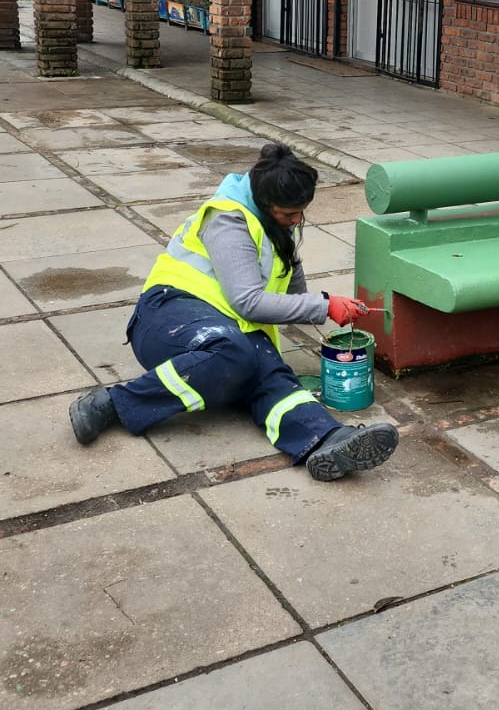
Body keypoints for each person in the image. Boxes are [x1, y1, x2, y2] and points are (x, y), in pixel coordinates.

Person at [68, 142, 399, 482]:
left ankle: (326, 439)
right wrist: (325, 304)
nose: (297, 220)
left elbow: (293, 292)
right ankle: (113, 403)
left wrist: (326, 307)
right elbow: (248, 302)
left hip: (228, 332)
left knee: (271, 376)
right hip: (166, 317)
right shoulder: (227, 220)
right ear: (264, 203)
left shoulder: (275, 226)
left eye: (301, 212)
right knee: (236, 353)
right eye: (289, 214)